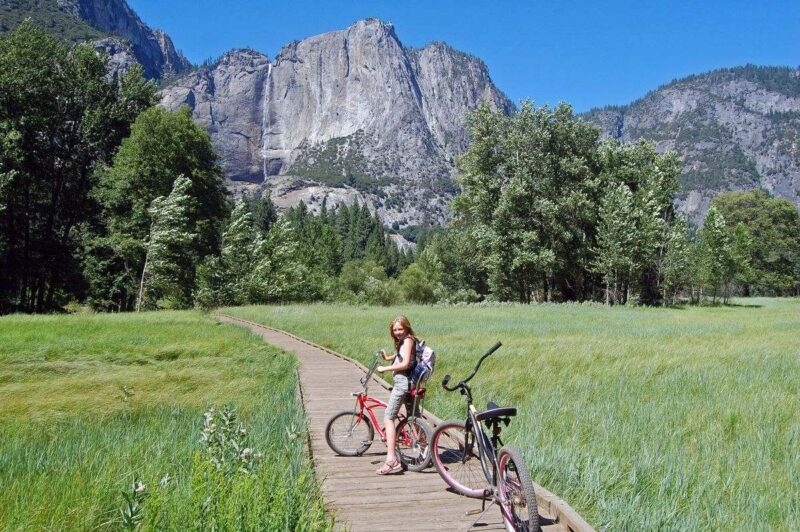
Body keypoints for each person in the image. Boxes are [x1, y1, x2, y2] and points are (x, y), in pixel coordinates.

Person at [375, 315, 416, 475]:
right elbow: (402, 356)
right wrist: (388, 358)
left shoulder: (408, 340)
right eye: (395, 330)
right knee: (414, 416)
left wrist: (385, 369)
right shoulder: (407, 340)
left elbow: (405, 363)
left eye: (400, 329)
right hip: (410, 383)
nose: (397, 332)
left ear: (406, 327)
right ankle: (427, 454)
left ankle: (391, 459)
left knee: (388, 418)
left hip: (402, 384)